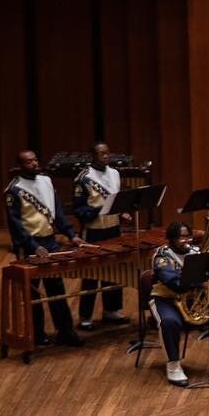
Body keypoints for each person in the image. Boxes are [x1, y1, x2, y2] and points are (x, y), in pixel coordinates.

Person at [4, 150, 83, 348]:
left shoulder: (46, 181)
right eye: (28, 162)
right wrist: (33, 246)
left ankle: (65, 331)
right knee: (33, 292)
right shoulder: (14, 190)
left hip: (50, 241)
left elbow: (57, 211)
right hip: (29, 245)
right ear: (20, 165)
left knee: (56, 288)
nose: (33, 164)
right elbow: (16, 225)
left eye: (35, 160)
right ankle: (37, 333)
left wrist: (71, 234)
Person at [150, 220, 209, 386]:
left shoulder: (196, 254)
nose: (187, 240)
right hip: (166, 300)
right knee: (169, 322)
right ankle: (173, 366)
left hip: (191, 304)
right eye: (181, 238)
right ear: (171, 239)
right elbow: (173, 283)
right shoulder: (161, 257)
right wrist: (200, 283)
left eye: (188, 236)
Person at [71, 141, 128, 328]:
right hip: (94, 231)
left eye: (107, 153)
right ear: (93, 156)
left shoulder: (115, 173)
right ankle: (85, 317)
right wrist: (100, 209)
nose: (105, 156)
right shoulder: (83, 178)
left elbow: (116, 200)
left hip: (113, 229)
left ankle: (111, 311)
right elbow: (79, 210)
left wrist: (122, 212)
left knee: (114, 271)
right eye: (100, 153)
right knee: (91, 274)